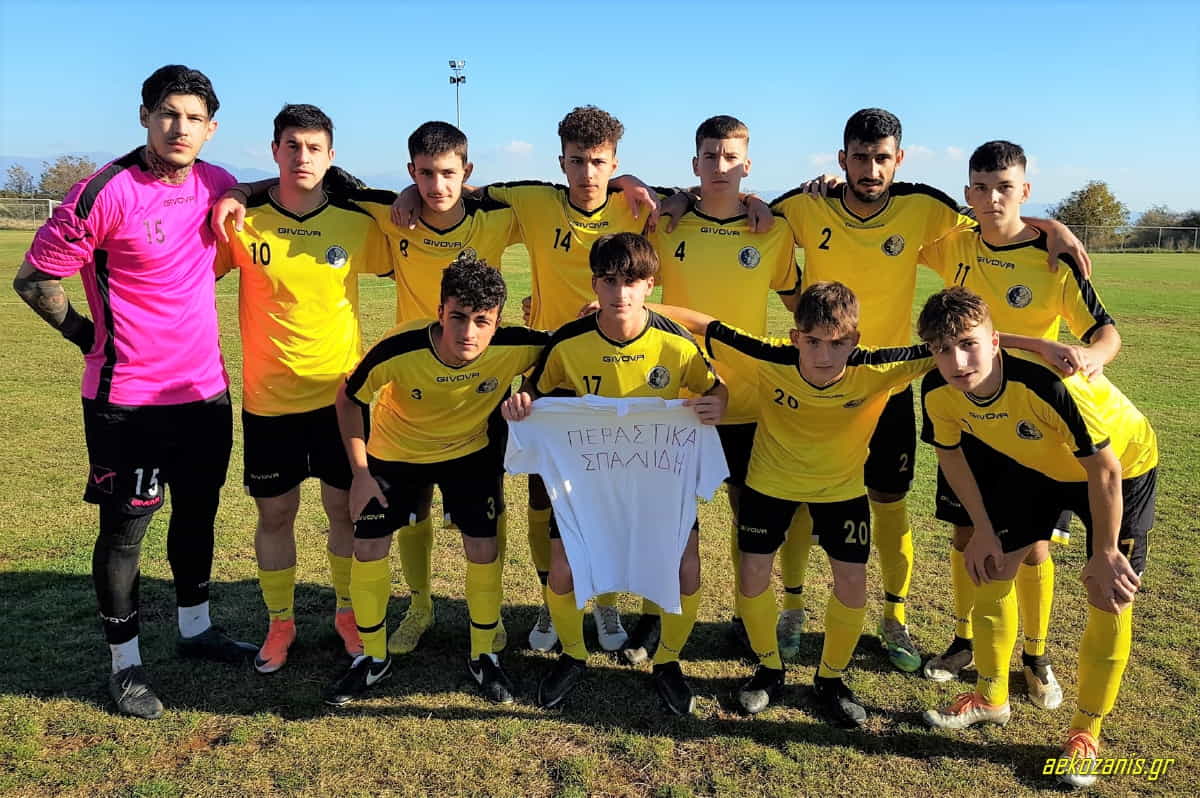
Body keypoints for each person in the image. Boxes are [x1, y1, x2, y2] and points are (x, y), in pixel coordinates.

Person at [764, 108, 1090, 673]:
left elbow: (996, 216)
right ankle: (792, 608)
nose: (870, 169)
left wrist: (1051, 227)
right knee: (801, 503)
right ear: (842, 158)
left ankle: (895, 617)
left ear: (899, 159)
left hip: (886, 386)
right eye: (859, 158)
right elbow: (738, 210)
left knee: (889, 505)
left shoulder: (925, 207)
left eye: (881, 158)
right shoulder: (804, 204)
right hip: (817, 380)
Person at [213, 120, 519, 657]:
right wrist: (241, 189)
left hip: (470, 391)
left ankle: (464, 620)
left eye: (448, 173)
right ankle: (412, 607)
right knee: (403, 510)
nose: (437, 184)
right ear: (411, 173)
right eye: (424, 174)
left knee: (477, 514)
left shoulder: (494, 215)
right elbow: (316, 183)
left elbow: (572, 200)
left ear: (466, 172)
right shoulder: (375, 214)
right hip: (391, 392)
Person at [11, 65, 254, 719]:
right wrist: (88, 337)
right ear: (145, 116)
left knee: (198, 511)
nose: (180, 127)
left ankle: (197, 629)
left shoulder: (217, 182)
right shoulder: (104, 191)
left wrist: (243, 194)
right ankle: (125, 666)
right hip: (129, 401)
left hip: (204, 393)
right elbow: (34, 279)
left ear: (211, 129)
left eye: (194, 118)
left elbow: (261, 190)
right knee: (125, 531)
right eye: (168, 113)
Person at [393, 107, 667, 659]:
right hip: (549, 375)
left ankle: (604, 600)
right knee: (544, 501)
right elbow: (456, 187)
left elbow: (690, 199)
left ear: (615, 163)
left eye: (599, 163)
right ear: (560, 161)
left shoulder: (637, 204)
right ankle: (551, 598)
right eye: (576, 161)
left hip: (618, 375)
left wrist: (645, 185)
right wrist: (408, 191)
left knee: (605, 498)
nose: (587, 173)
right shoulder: (531, 201)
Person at [654, 282, 933, 726]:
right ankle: (769, 669)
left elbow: (949, 346)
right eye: (813, 342)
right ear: (794, 337)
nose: (825, 355)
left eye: (838, 343)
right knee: (752, 574)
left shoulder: (878, 366)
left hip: (842, 491)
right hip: (769, 483)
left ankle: (831, 679)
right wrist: (634, 306)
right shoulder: (768, 357)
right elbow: (705, 324)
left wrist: (1031, 345)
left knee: (852, 583)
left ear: (855, 340)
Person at [917, 287, 1156, 790]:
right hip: (1036, 467)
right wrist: (983, 529)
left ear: (995, 341)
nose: (957, 362)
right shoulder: (937, 390)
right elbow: (951, 456)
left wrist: (1105, 550)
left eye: (968, 344)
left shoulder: (1047, 385)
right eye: (942, 349)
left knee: (1109, 594)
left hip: (1122, 468)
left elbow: (1105, 471)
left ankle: (1086, 733)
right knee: (992, 569)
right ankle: (991, 697)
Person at [916, 140, 1120, 711]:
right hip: (966, 415)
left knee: (1032, 549)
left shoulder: (1053, 260)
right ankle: (965, 641)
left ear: (1025, 190)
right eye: (980, 188)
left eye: (1005, 187)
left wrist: (1091, 356)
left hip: (1031, 428)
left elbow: (1106, 332)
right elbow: (889, 224)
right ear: (968, 193)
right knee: (967, 537)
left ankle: (1035, 655)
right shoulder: (953, 243)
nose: (992, 199)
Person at [502, 232, 727, 715]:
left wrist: (718, 402)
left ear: (650, 285)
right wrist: (523, 403)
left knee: (686, 569)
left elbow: (715, 387)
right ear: (595, 284)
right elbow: (534, 390)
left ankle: (668, 661)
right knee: (563, 570)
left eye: (631, 281)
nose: (619, 292)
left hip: (658, 480)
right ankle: (573, 655)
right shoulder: (569, 342)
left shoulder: (676, 342)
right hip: (589, 482)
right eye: (608, 281)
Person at [214, 103, 396, 673]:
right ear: (274, 151)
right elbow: (192, 273)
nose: (302, 156)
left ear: (331, 156)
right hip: (269, 402)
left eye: (314, 147)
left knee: (344, 511)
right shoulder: (243, 221)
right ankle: (280, 624)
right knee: (275, 515)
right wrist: (238, 191)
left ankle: (347, 614)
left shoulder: (356, 224)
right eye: (292, 145)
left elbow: (412, 254)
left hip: (340, 400)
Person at [324, 255, 549, 706]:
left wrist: (531, 391)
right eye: (458, 317)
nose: (468, 332)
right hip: (396, 453)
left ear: (498, 322)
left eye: (482, 321)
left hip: (469, 453)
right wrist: (361, 474)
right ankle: (372, 657)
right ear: (440, 311)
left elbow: (568, 349)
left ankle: (484, 654)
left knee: (483, 547)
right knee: (369, 546)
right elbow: (348, 398)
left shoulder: (518, 345)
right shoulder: (400, 347)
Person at [646, 114, 803, 657]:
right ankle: (656, 615)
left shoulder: (772, 230)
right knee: (669, 517)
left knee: (748, 521)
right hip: (677, 397)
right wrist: (678, 198)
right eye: (710, 156)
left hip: (747, 399)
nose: (720, 166)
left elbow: (798, 302)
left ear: (747, 165)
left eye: (731, 157)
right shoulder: (665, 224)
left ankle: (746, 616)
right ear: (694, 164)